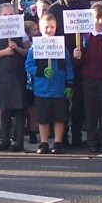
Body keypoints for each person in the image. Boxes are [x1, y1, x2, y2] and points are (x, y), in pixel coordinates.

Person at [45, 0, 89, 146]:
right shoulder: (54, 9)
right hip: (60, 60)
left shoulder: (84, 7)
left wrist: (82, 49)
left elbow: (89, 33)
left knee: (79, 101)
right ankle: (61, 138)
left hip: (80, 61)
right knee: (61, 101)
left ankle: (77, 136)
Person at [25, 13, 74, 154]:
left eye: (52, 27)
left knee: (60, 117)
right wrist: (40, 71)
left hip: (59, 89)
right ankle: (44, 142)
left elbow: (68, 66)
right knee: (43, 118)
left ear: (56, 28)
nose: (49, 30)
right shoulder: (35, 48)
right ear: (40, 28)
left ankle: (58, 142)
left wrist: (69, 84)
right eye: (46, 27)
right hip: (42, 90)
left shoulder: (62, 47)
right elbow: (28, 65)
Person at [0, 3, 31, 152]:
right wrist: (4, 52)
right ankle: (5, 139)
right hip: (3, 75)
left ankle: (19, 141)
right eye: (5, 15)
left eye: (11, 15)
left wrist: (17, 49)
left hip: (18, 74)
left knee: (19, 109)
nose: (8, 17)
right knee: (4, 109)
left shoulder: (21, 32)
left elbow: (29, 52)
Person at [73, 3, 102, 153]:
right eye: (97, 18)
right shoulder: (85, 37)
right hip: (88, 79)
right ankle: (92, 140)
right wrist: (76, 56)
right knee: (90, 111)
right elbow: (78, 62)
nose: (100, 21)